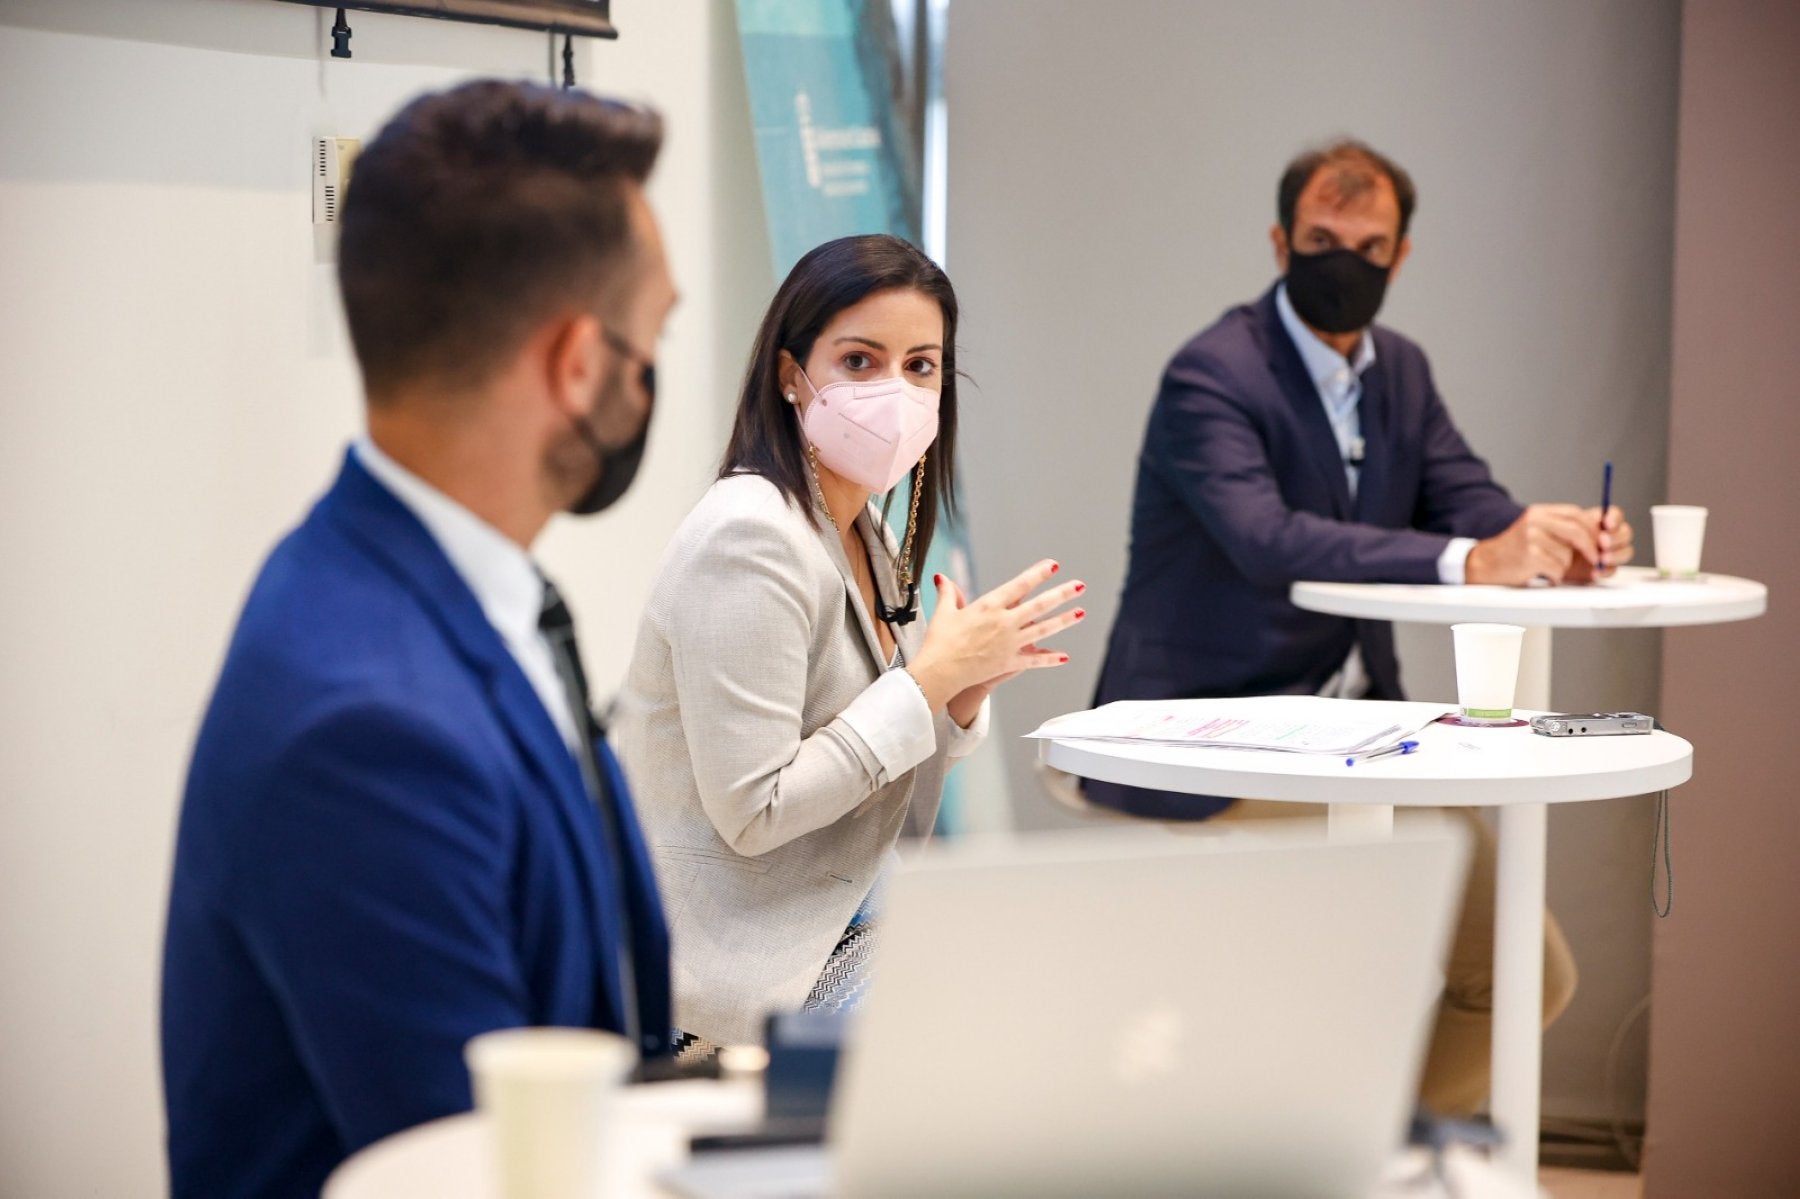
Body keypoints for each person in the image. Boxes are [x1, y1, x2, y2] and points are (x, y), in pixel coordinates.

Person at [160, 82, 677, 1197]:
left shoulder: (443, 585)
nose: (654, 380)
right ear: (578, 365)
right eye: (652, 341)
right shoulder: (365, 726)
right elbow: (487, 1166)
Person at [1087, 140, 1630, 1113]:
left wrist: (1554, 539)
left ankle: (1358, 1153)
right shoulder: (1211, 373)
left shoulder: (1401, 375)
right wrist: (1476, 559)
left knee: (1525, 974)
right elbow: (1270, 540)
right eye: (1320, 240)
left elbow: (1473, 503)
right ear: (1279, 241)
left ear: (1401, 255)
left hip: (1356, 741)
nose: (1343, 262)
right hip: (1209, 739)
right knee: (1309, 1005)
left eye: (1368, 245)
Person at [613, 234, 1083, 1049]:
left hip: (847, 911)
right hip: (742, 958)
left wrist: (956, 696)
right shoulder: (750, 537)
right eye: (860, 361)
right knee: (991, 1044)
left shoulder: (860, 527)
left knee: (1063, 983)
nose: (894, 390)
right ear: (792, 375)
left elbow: (882, 797)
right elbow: (756, 812)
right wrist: (925, 684)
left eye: (921, 365)